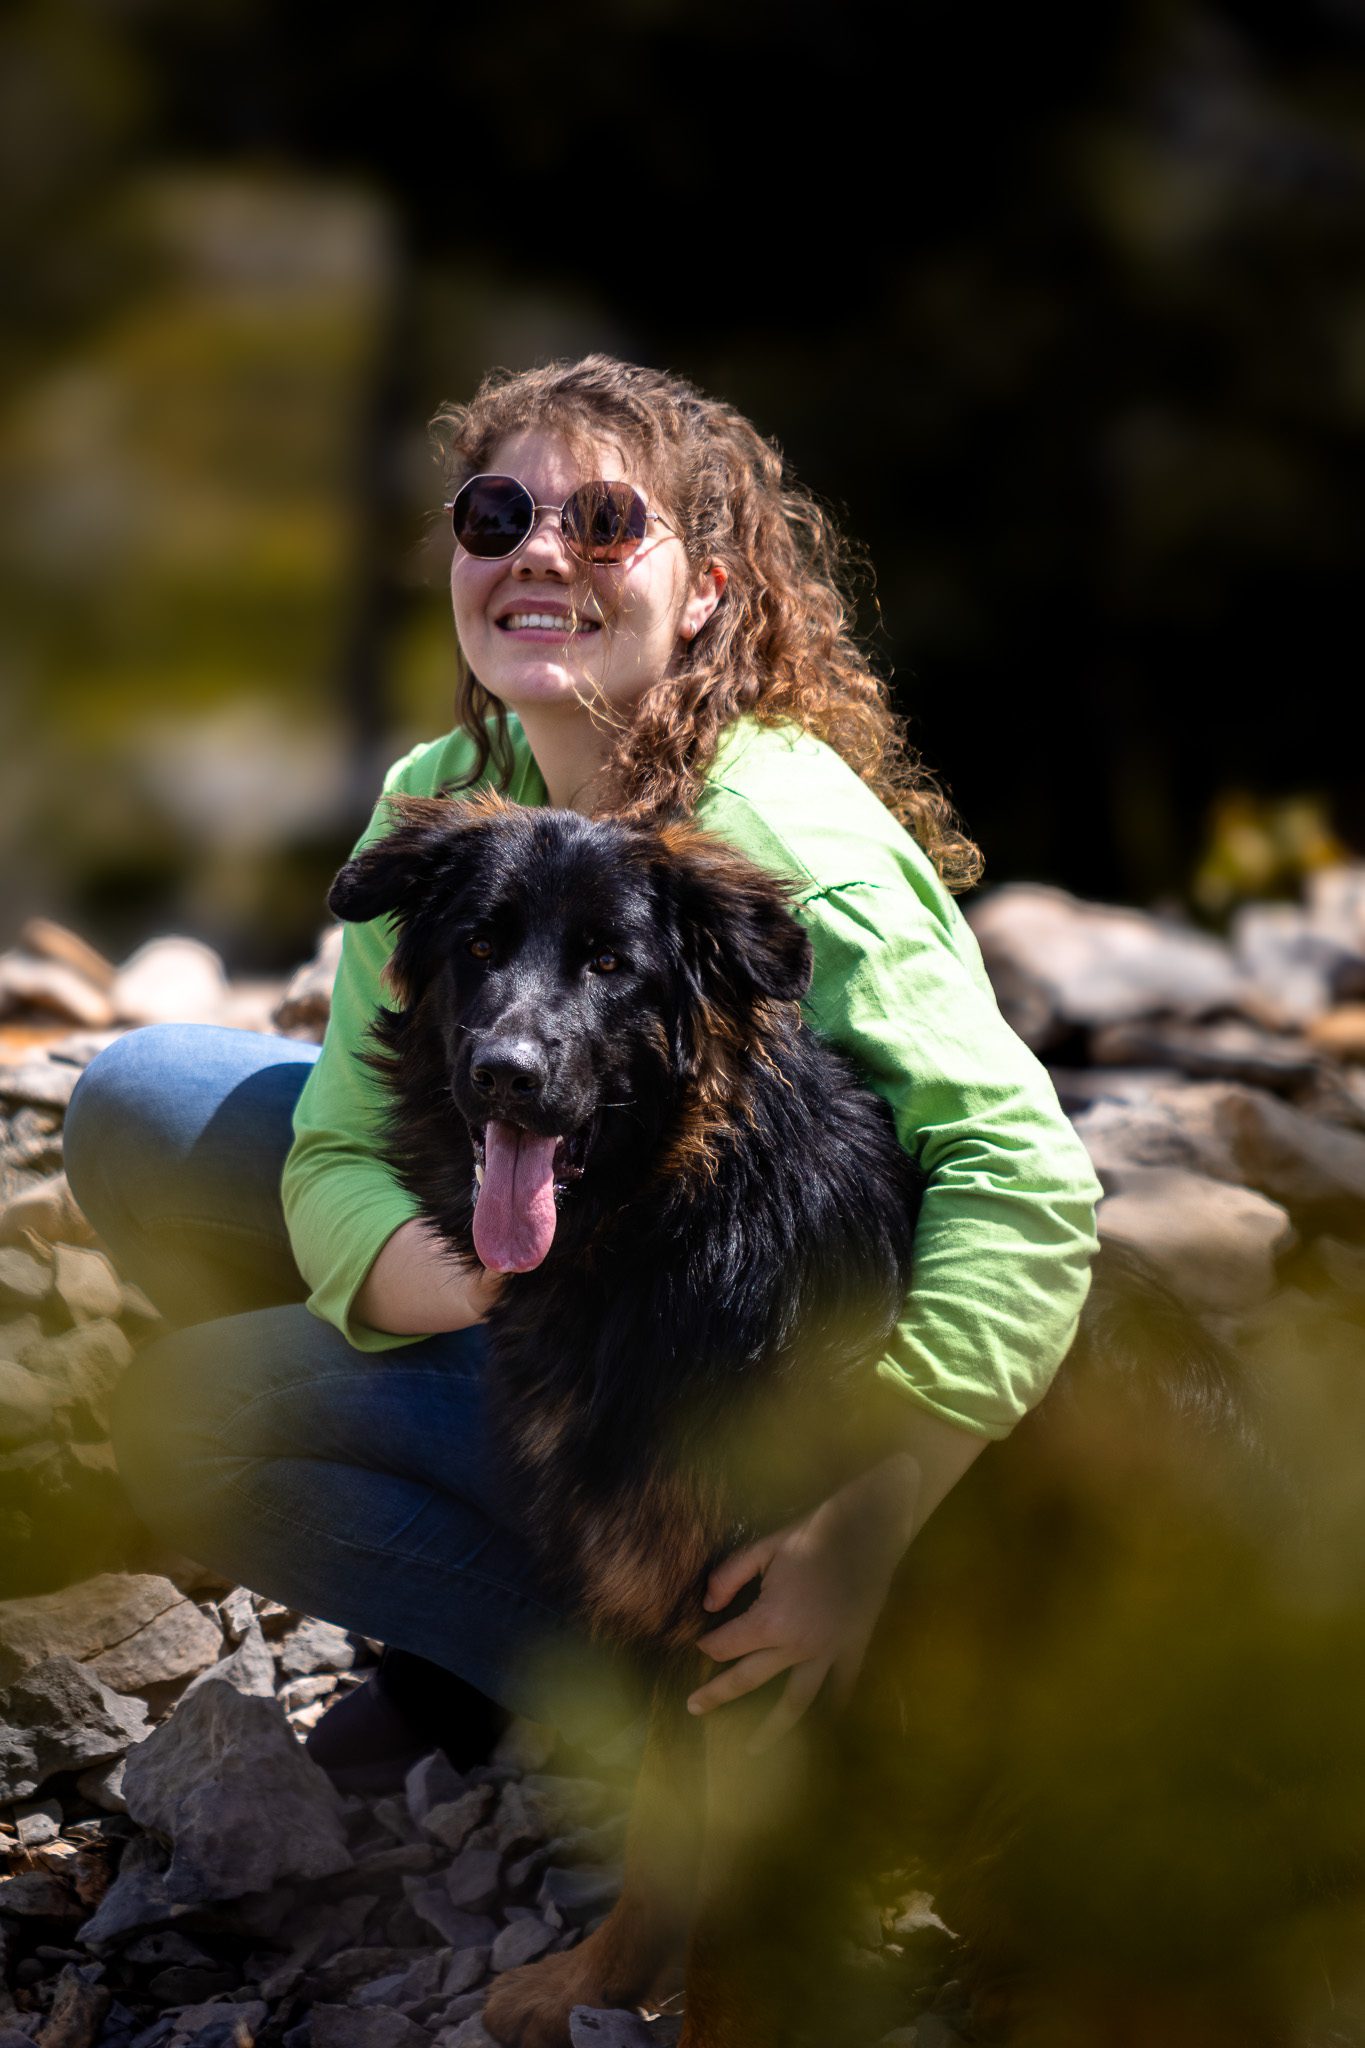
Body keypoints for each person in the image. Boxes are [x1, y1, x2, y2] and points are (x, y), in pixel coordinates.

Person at [64, 354, 1102, 1790]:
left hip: (748, 1377)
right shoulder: (444, 795)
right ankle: (487, 1630)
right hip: (561, 1287)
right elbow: (341, 1141)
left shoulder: (783, 846)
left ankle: (680, 1691)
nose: (541, 552)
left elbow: (1026, 1178)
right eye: (497, 516)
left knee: (195, 1418)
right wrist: (479, 1273)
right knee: (145, 1105)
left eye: (606, 522)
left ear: (706, 592)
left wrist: (875, 1504)